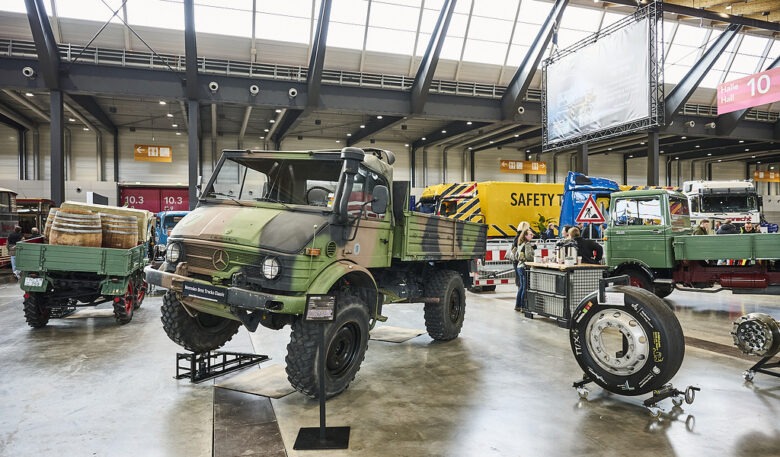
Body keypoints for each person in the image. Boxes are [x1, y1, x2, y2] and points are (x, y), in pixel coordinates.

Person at [512, 228, 535, 311]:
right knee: (525, 287)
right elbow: (529, 256)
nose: (532, 236)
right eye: (530, 234)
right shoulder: (527, 244)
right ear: (525, 236)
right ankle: (523, 306)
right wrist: (535, 258)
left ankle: (517, 305)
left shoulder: (520, 243)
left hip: (519, 266)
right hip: (525, 267)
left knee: (521, 287)